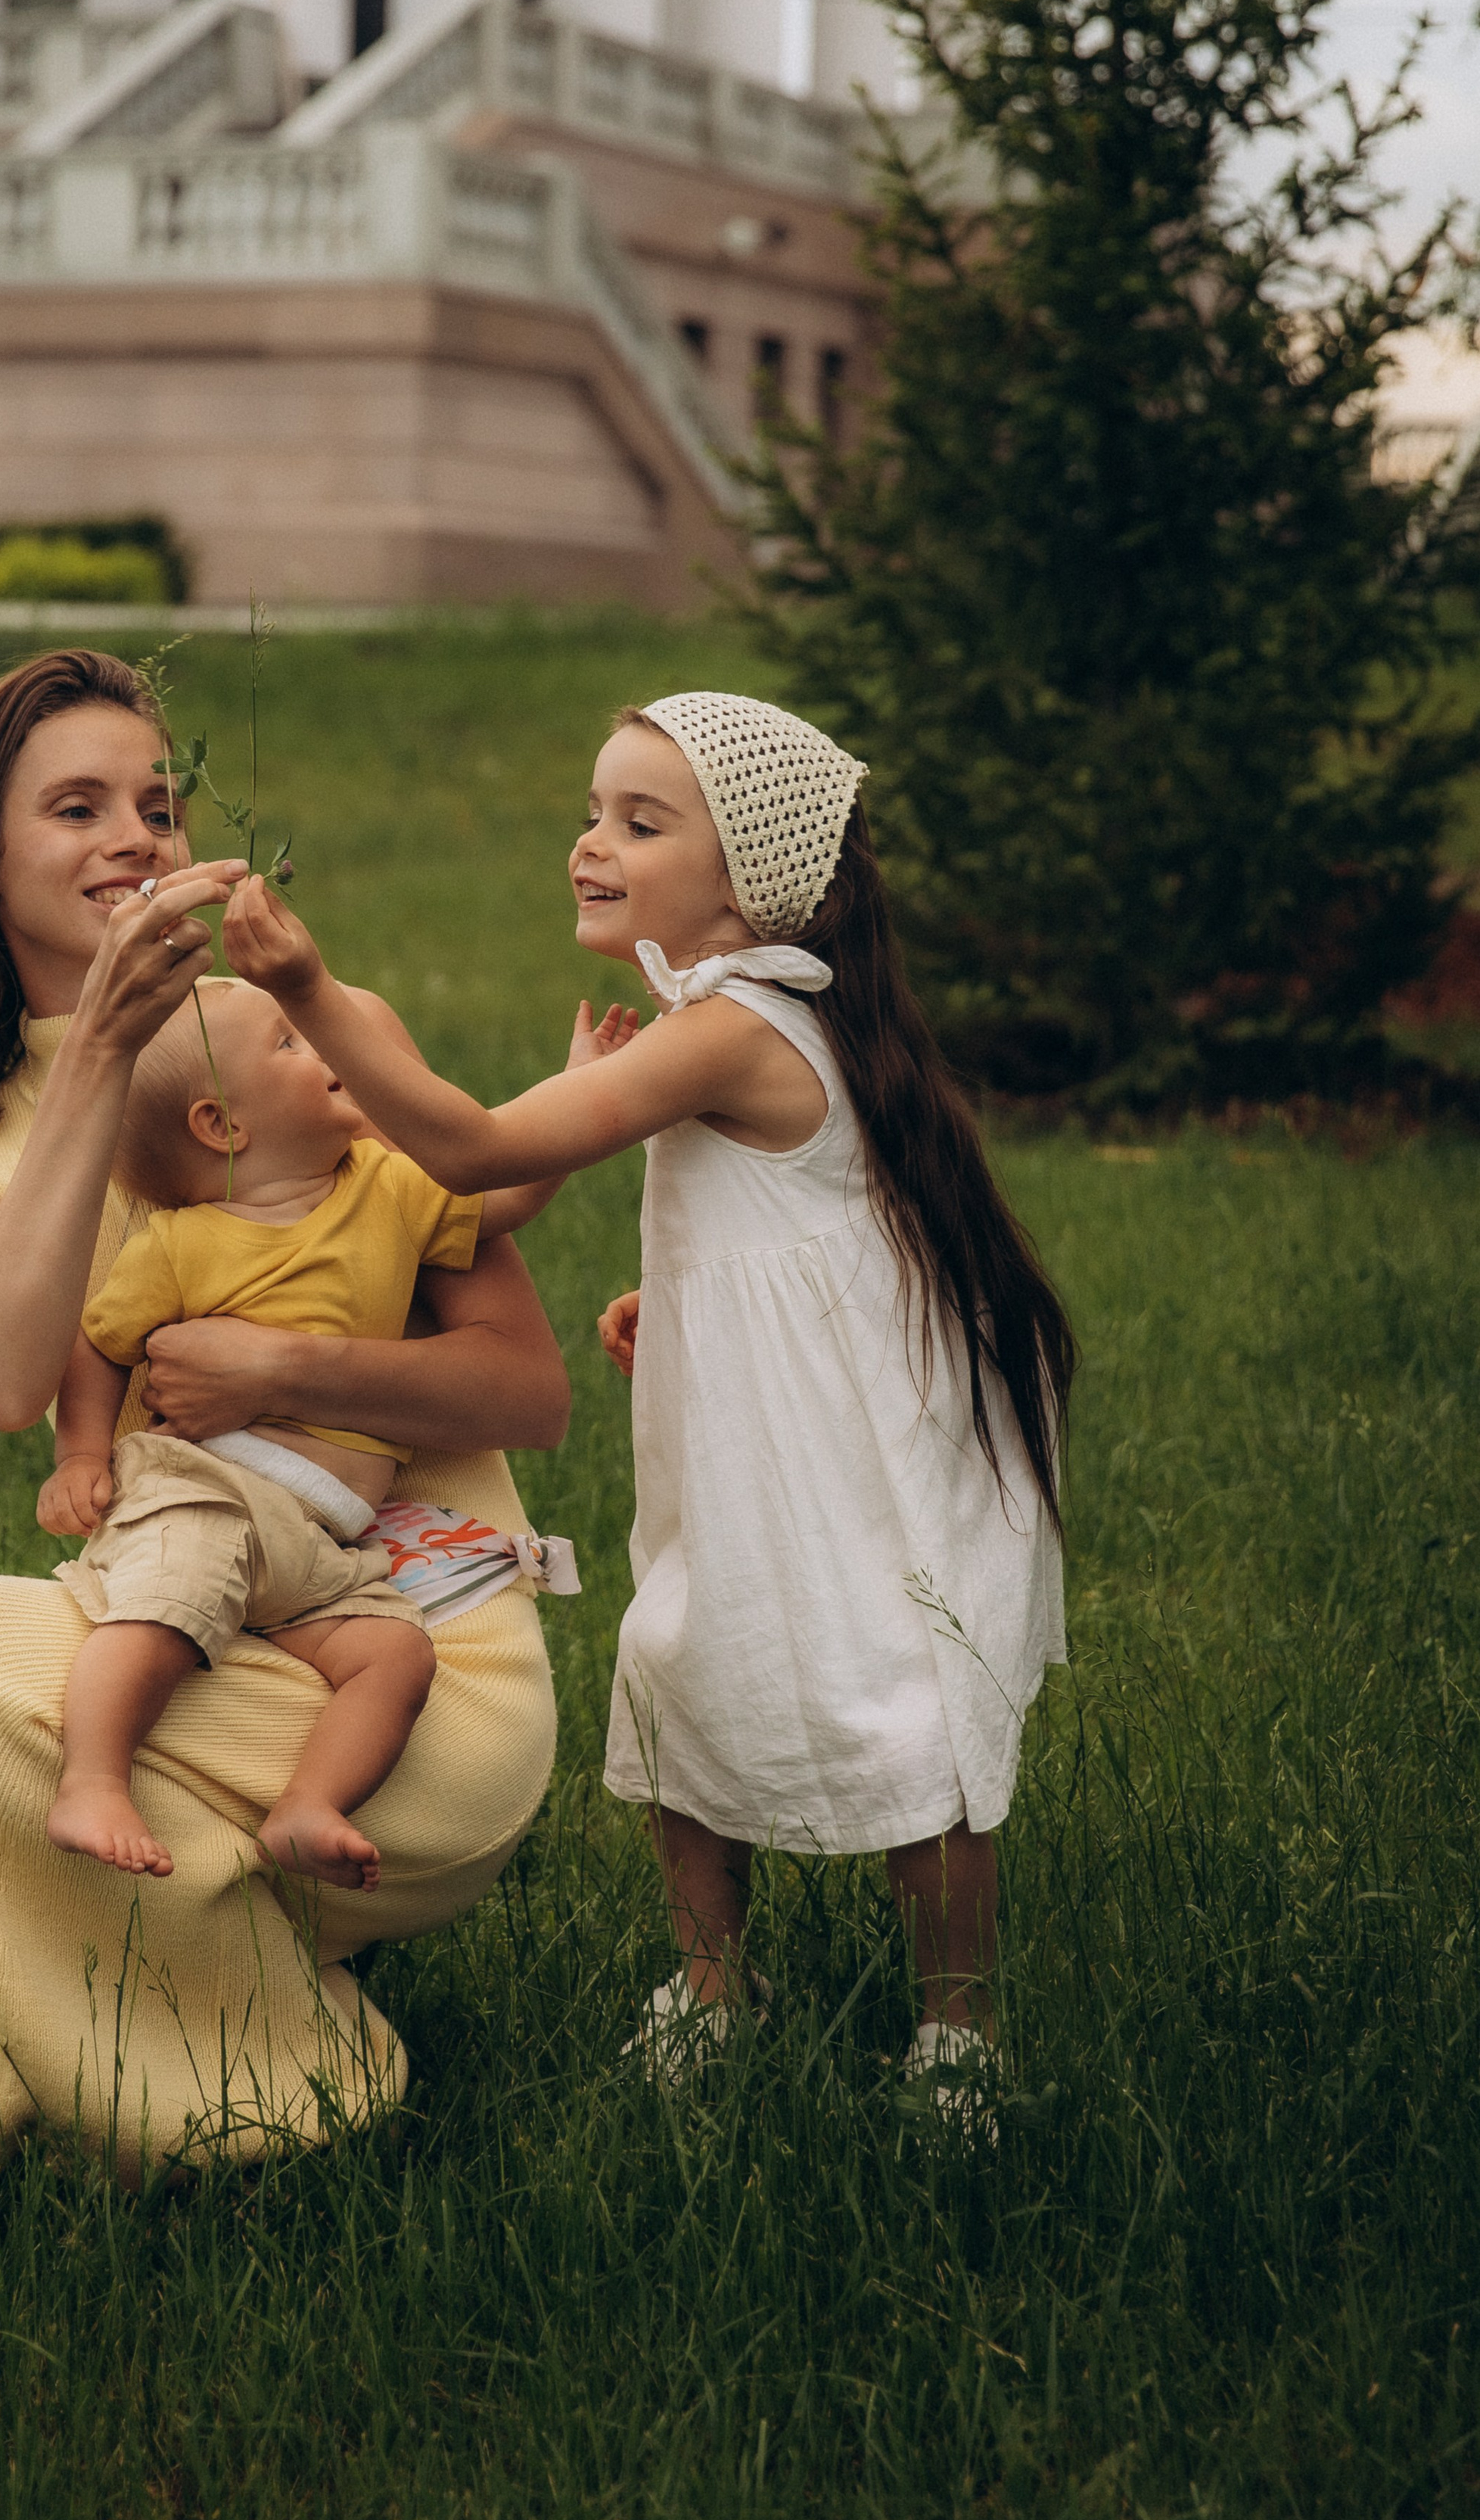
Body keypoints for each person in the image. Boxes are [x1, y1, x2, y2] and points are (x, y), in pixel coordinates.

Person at [0, 648, 567, 2195]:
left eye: (154, 797)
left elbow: (526, 1390)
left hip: (395, 1657)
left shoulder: (298, 1040)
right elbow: (7, 1381)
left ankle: (298, 2094)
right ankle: (169, 2049)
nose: (132, 832)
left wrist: (279, 1373)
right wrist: (99, 1063)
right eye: (75, 808)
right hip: (170, 1641)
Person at [224, 689, 1074, 2091]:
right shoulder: (754, 1016)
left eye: (639, 820)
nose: (590, 842)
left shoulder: (735, 1027)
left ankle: (958, 2035)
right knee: (687, 1651)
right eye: (592, 811)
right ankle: (709, 1989)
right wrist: (672, 1304)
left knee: (898, 1697)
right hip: (767, 1425)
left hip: (837, 1455)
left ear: (748, 873)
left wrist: (306, 989)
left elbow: (478, 1150)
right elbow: (815, 1219)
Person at [39, 976, 586, 1886]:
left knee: (392, 1655)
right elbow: (97, 1345)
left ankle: (308, 1807)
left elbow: (509, 1193)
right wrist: (81, 1456)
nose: (330, 1048)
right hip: (210, 1490)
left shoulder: (388, 1188)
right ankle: (91, 1780)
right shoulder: (184, 1244)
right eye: (291, 1044)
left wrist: (575, 1088)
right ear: (223, 1126)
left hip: (323, 1537)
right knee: (162, 1610)